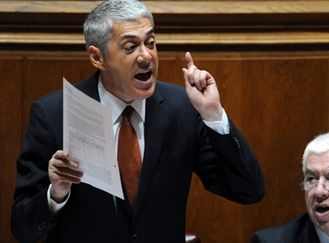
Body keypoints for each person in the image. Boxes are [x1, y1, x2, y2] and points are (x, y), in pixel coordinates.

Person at [11, 0, 264, 242]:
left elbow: (248, 190)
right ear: (97, 57)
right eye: (130, 46)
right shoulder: (55, 113)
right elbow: (22, 228)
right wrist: (56, 193)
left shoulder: (182, 110)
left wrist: (213, 115)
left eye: (151, 43)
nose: (146, 56)